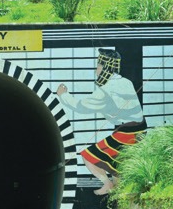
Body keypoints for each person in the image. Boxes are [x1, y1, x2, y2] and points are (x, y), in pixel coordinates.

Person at [56, 48, 146, 195]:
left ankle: (107, 184)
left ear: (105, 68)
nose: (96, 70)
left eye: (98, 66)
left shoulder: (106, 89)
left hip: (126, 134)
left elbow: (81, 107)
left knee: (88, 156)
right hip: (139, 130)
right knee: (116, 167)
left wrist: (63, 95)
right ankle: (116, 191)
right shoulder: (126, 82)